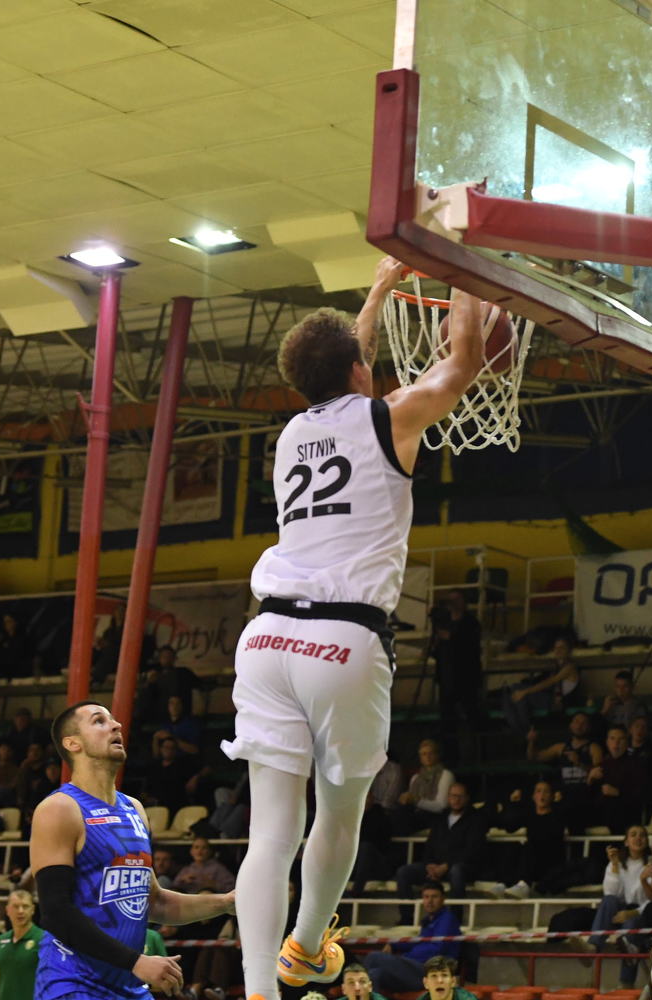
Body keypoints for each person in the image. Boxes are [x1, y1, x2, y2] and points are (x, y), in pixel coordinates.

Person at [221, 260, 488, 1000]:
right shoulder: (389, 417)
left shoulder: (291, 435)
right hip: (342, 640)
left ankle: (258, 991)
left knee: (271, 832)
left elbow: (345, 363)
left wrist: (373, 295)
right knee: (338, 816)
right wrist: (471, 271)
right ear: (359, 370)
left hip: (266, 639)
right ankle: (306, 947)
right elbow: (463, 362)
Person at [30, 701, 234, 1000]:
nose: (116, 725)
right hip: (73, 982)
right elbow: (55, 912)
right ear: (72, 743)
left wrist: (226, 903)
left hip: (128, 985)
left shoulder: (135, 809)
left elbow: (156, 902)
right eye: (99, 721)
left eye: (114, 720)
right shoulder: (59, 808)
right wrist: (136, 962)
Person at [393, 782, 488, 907]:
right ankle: (407, 916)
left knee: (457, 871)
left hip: (460, 867)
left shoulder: (476, 819)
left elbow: (472, 851)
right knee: (403, 872)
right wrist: (430, 865)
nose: (456, 800)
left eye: (460, 796)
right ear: (448, 798)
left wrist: (446, 866)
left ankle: (455, 916)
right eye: (453, 796)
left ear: (467, 798)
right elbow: (429, 845)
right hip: (435, 866)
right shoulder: (441, 818)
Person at [362, 882, 461, 994]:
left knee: (374, 957)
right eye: (426, 897)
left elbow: (437, 949)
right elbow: (417, 942)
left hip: (429, 972)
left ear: (443, 899)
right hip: (415, 970)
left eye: (434, 897)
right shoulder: (429, 921)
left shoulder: (447, 920)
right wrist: (393, 945)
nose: (430, 901)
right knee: (375, 974)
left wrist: (406, 957)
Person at [588, 825, 650, 958]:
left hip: (641, 913)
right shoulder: (616, 862)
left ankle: (627, 968)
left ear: (647, 841)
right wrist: (615, 866)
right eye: (633, 835)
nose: (638, 838)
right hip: (618, 911)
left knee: (630, 926)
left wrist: (633, 912)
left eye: (642, 835)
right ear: (626, 842)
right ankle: (593, 947)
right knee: (608, 900)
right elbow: (610, 893)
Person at [500, 637, 580, 735]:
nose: (558, 650)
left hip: (557, 703)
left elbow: (550, 682)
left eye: (562, 648)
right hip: (549, 697)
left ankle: (521, 730)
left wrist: (525, 691)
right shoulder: (557, 666)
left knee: (520, 694)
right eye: (556, 648)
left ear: (569, 650)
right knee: (514, 690)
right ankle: (521, 729)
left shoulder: (570, 667)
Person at [430, 590, 482, 725]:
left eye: (457, 599)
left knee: (471, 709)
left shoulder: (470, 622)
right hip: (447, 673)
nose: (453, 603)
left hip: (466, 673)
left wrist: (450, 637)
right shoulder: (445, 621)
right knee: (447, 711)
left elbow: (470, 646)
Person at [0, 890, 43, 1000]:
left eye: (25, 906)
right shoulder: (2, 940)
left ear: (33, 910)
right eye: (16, 907)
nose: (20, 911)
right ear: (7, 910)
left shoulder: (43, 939)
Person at [391, 740, 454, 834]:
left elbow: (441, 806)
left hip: (435, 817)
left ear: (437, 755)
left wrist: (416, 800)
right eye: (424, 754)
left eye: (431, 753)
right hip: (416, 815)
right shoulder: (415, 778)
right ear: (420, 757)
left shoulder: (445, 775)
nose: (427, 757)